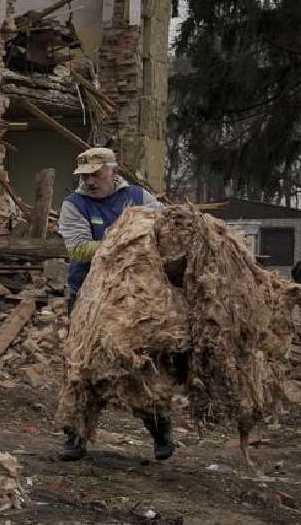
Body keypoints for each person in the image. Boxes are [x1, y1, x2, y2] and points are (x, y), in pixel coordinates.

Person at [55, 147, 171, 462]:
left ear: (112, 171)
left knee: (142, 363)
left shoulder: (139, 197)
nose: (90, 181)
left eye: (96, 173)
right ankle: (75, 436)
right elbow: (78, 249)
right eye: (85, 176)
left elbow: (165, 229)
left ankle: (161, 431)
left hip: (134, 297)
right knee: (81, 366)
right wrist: (126, 240)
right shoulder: (74, 205)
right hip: (88, 298)